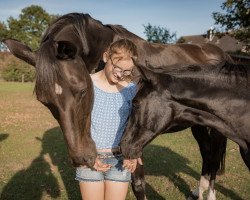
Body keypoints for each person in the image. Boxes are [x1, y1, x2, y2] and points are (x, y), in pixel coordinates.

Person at [75, 39, 142, 200]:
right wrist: (88, 154)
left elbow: (135, 126)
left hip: (120, 159)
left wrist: (133, 152)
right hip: (90, 157)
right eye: (117, 67)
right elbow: (77, 124)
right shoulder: (86, 84)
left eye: (127, 71)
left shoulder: (131, 90)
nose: (120, 74)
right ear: (106, 57)